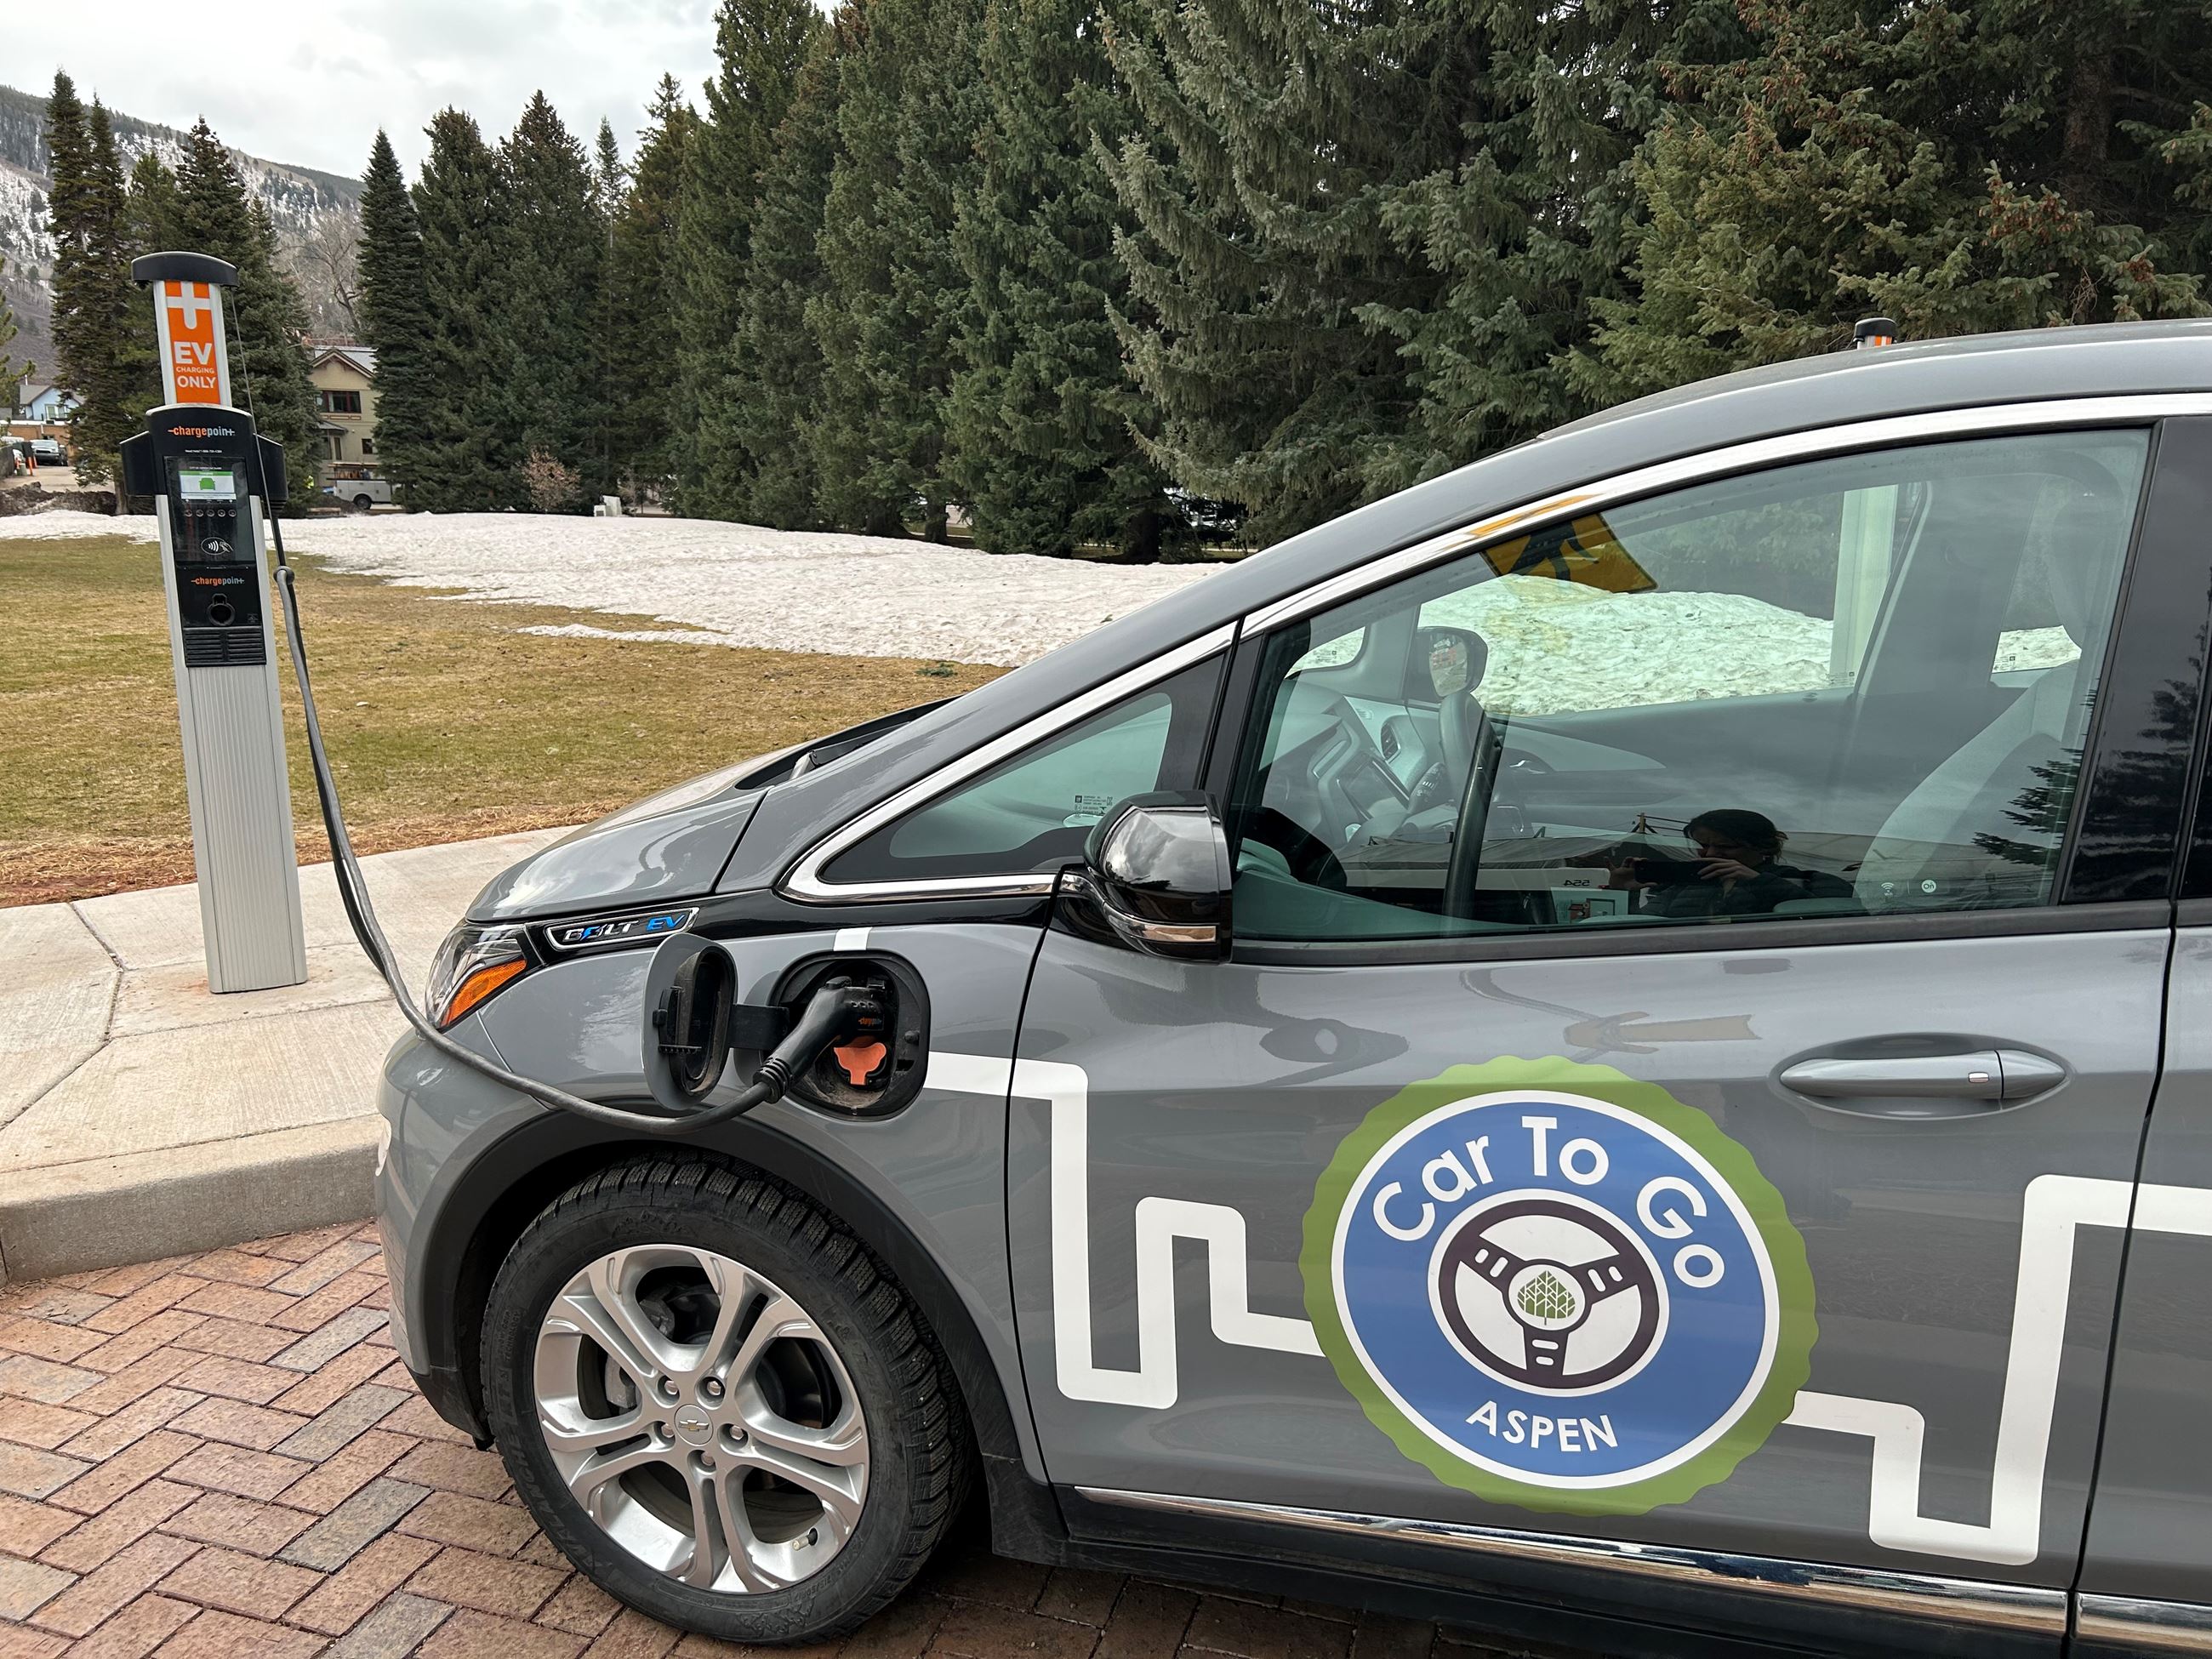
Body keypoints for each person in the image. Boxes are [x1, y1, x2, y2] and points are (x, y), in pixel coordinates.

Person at [1615, 808, 1854, 919]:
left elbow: (1842, 923)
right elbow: (1642, 930)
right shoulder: (1682, 888)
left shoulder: (1813, 882)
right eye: (1704, 845)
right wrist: (1624, 893)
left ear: (1764, 847)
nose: (1711, 853)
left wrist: (1758, 882)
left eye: (1726, 846)